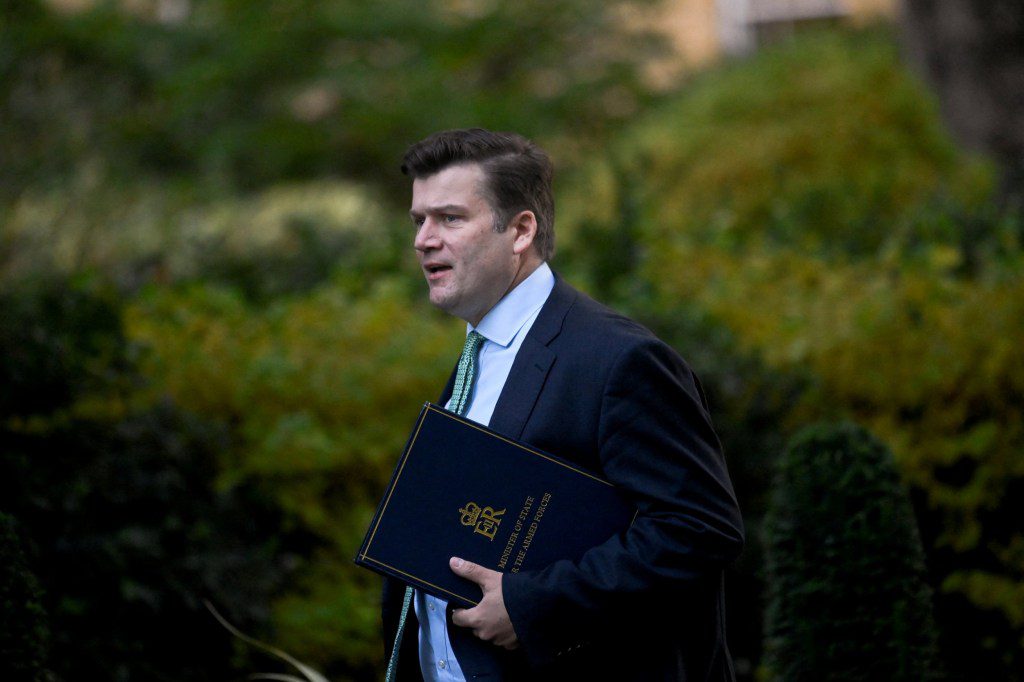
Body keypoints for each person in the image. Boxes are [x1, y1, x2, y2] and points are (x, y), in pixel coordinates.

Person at [381, 128, 744, 682]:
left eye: (450, 218)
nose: (423, 240)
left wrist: (533, 604)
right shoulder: (475, 358)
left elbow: (699, 530)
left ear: (521, 230)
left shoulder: (620, 358)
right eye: (418, 221)